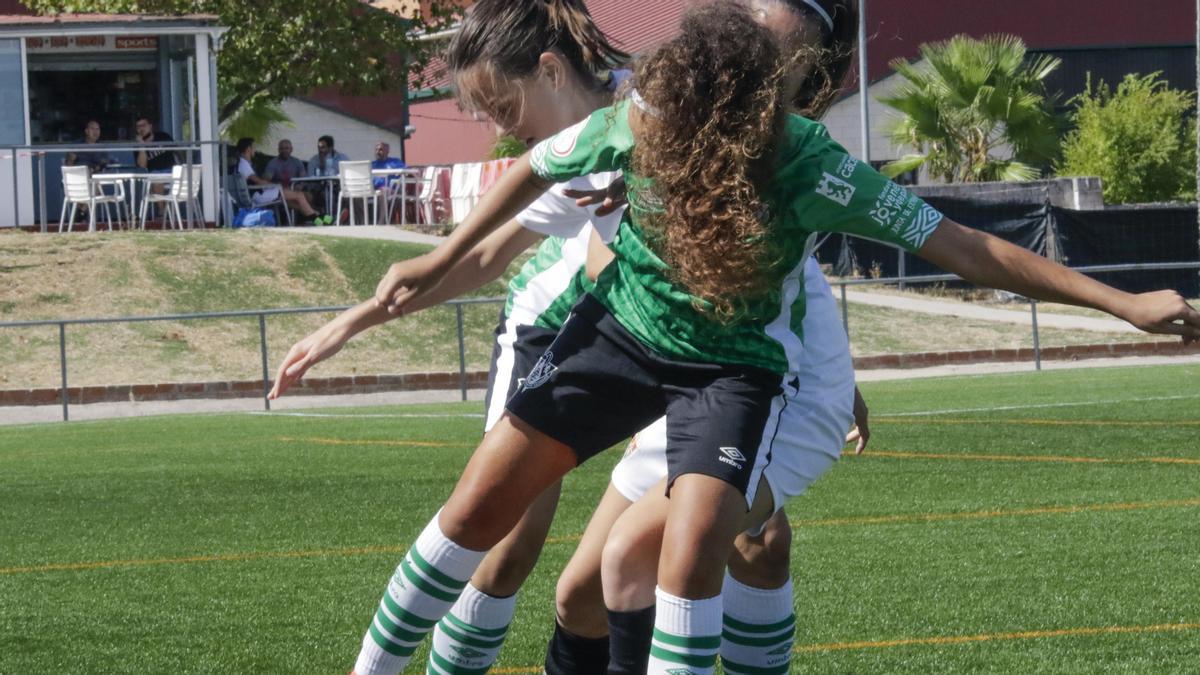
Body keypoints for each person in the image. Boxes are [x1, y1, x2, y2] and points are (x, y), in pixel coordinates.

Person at [348, 3, 1197, 674]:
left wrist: (1121, 303)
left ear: (764, 117)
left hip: (730, 370)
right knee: (476, 511)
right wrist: (441, 257)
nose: (688, 135)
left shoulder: (809, 160)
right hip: (620, 336)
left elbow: (968, 247)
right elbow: (537, 167)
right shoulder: (640, 118)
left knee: (688, 552)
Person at [235, 138, 319, 222]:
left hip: (258, 194)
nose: (255, 150)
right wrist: (275, 186)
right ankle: (316, 218)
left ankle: (317, 216)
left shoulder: (243, 163)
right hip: (258, 196)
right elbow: (258, 181)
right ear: (249, 149)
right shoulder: (244, 165)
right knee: (299, 195)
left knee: (293, 202)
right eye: (254, 147)